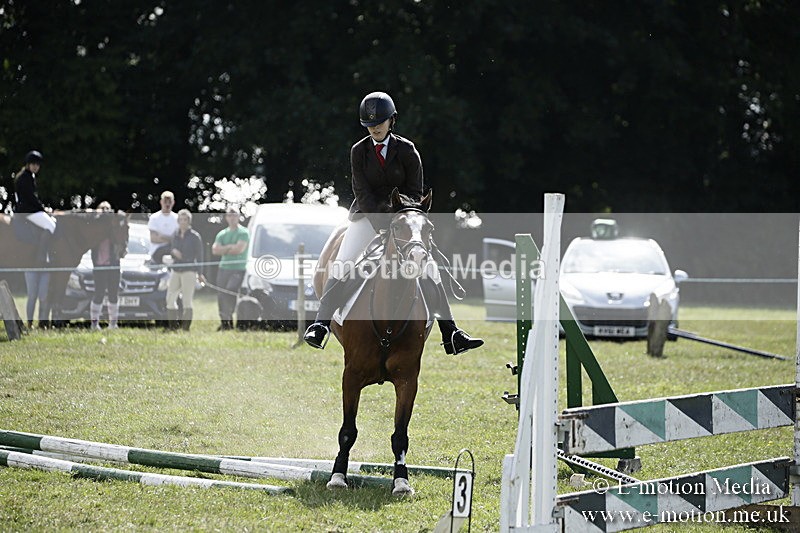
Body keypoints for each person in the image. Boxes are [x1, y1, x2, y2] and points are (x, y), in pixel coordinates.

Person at [303, 91, 483, 355]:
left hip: (405, 218)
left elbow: (415, 191)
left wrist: (399, 218)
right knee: (342, 263)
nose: (374, 127)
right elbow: (361, 192)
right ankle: (320, 325)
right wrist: (382, 222)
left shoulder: (407, 150)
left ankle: (451, 332)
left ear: (391, 121)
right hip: (367, 218)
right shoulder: (359, 151)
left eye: (380, 122)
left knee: (429, 268)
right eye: (369, 124)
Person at [13, 150, 56, 265]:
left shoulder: (27, 176)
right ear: (28, 164)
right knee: (51, 225)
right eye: (34, 164)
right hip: (28, 211)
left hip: (27, 209)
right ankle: (42, 255)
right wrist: (43, 209)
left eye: (38, 165)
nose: (36, 167)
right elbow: (31, 198)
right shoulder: (25, 178)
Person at [165, 209, 204, 331]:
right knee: (170, 299)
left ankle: (185, 328)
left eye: (185, 219)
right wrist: (173, 253)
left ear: (189, 221)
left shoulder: (195, 236)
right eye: (180, 219)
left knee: (187, 300)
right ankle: (173, 327)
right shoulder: (175, 235)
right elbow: (172, 249)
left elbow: (200, 256)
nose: (182, 222)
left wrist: (200, 273)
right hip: (176, 270)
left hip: (189, 271)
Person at [211, 206, 249, 330]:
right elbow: (215, 250)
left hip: (238, 268)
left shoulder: (243, 232)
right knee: (221, 295)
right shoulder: (222, 234)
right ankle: (225, 323)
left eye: (234, 215)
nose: (232, 218)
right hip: (223, 268)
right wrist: (230, 248)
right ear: (226, 217)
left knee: (230, 292)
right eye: (229, 215)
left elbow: (239, 249)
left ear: (238, 217)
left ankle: (232, 319)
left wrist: (224, 249)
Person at [90, 201, 124, 330]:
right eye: (103, 209)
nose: (105, 211)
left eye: (108, 209)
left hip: (113, 265)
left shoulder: (114, 229)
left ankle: (113, 324)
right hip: (99, 265)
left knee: (113, 294)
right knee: (98, 293)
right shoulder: (95, 229)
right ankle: (94, 323)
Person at [148, 190, 178, 265]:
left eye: (169, 202)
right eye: (165, 201)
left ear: (173, 203)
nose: (167, 204)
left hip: (173, 251)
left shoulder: (177, 218)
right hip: (156, 252)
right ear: (161, 202)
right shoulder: (154, 218)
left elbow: (179, 239)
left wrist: (162, 237)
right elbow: (154, 239)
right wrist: (171, 239)